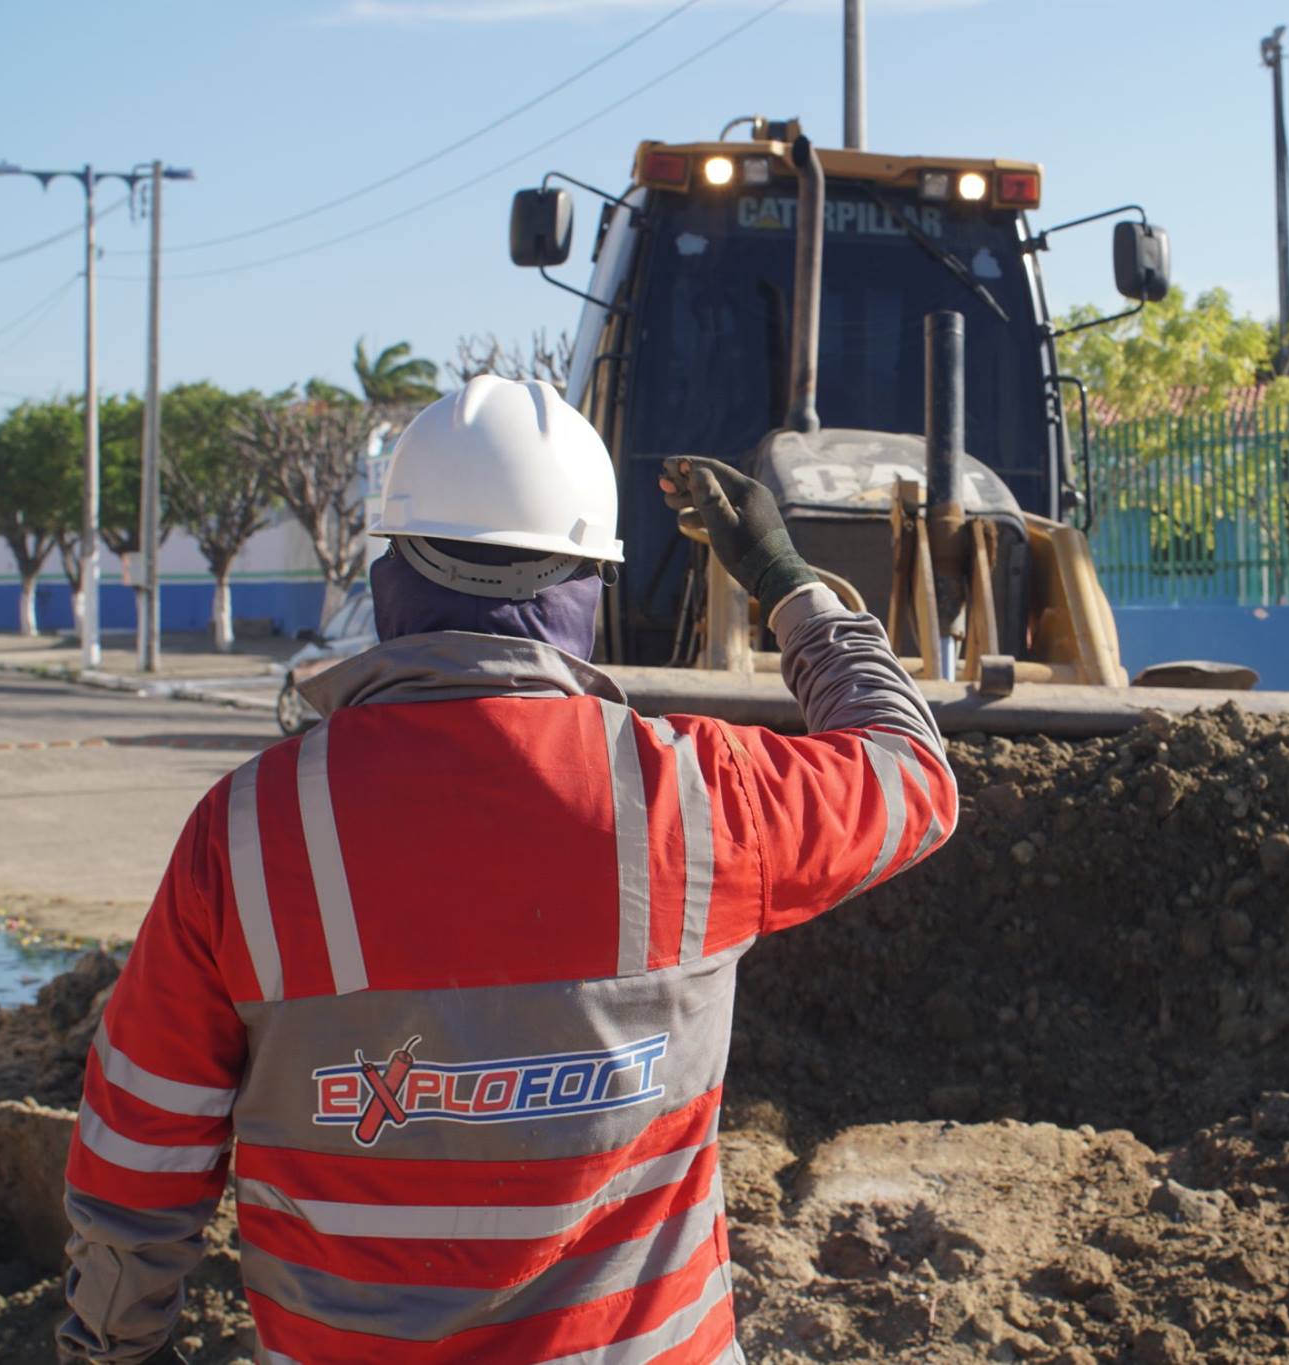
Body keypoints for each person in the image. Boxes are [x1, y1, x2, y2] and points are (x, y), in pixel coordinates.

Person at [58, 376, 958, 1363]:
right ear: (584, 586)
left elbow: (139, 1152)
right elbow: (909, 774)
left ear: (392, 573)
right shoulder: (699, 799)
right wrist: (786, 579)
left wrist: (109, 1348)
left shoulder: (248, 833)